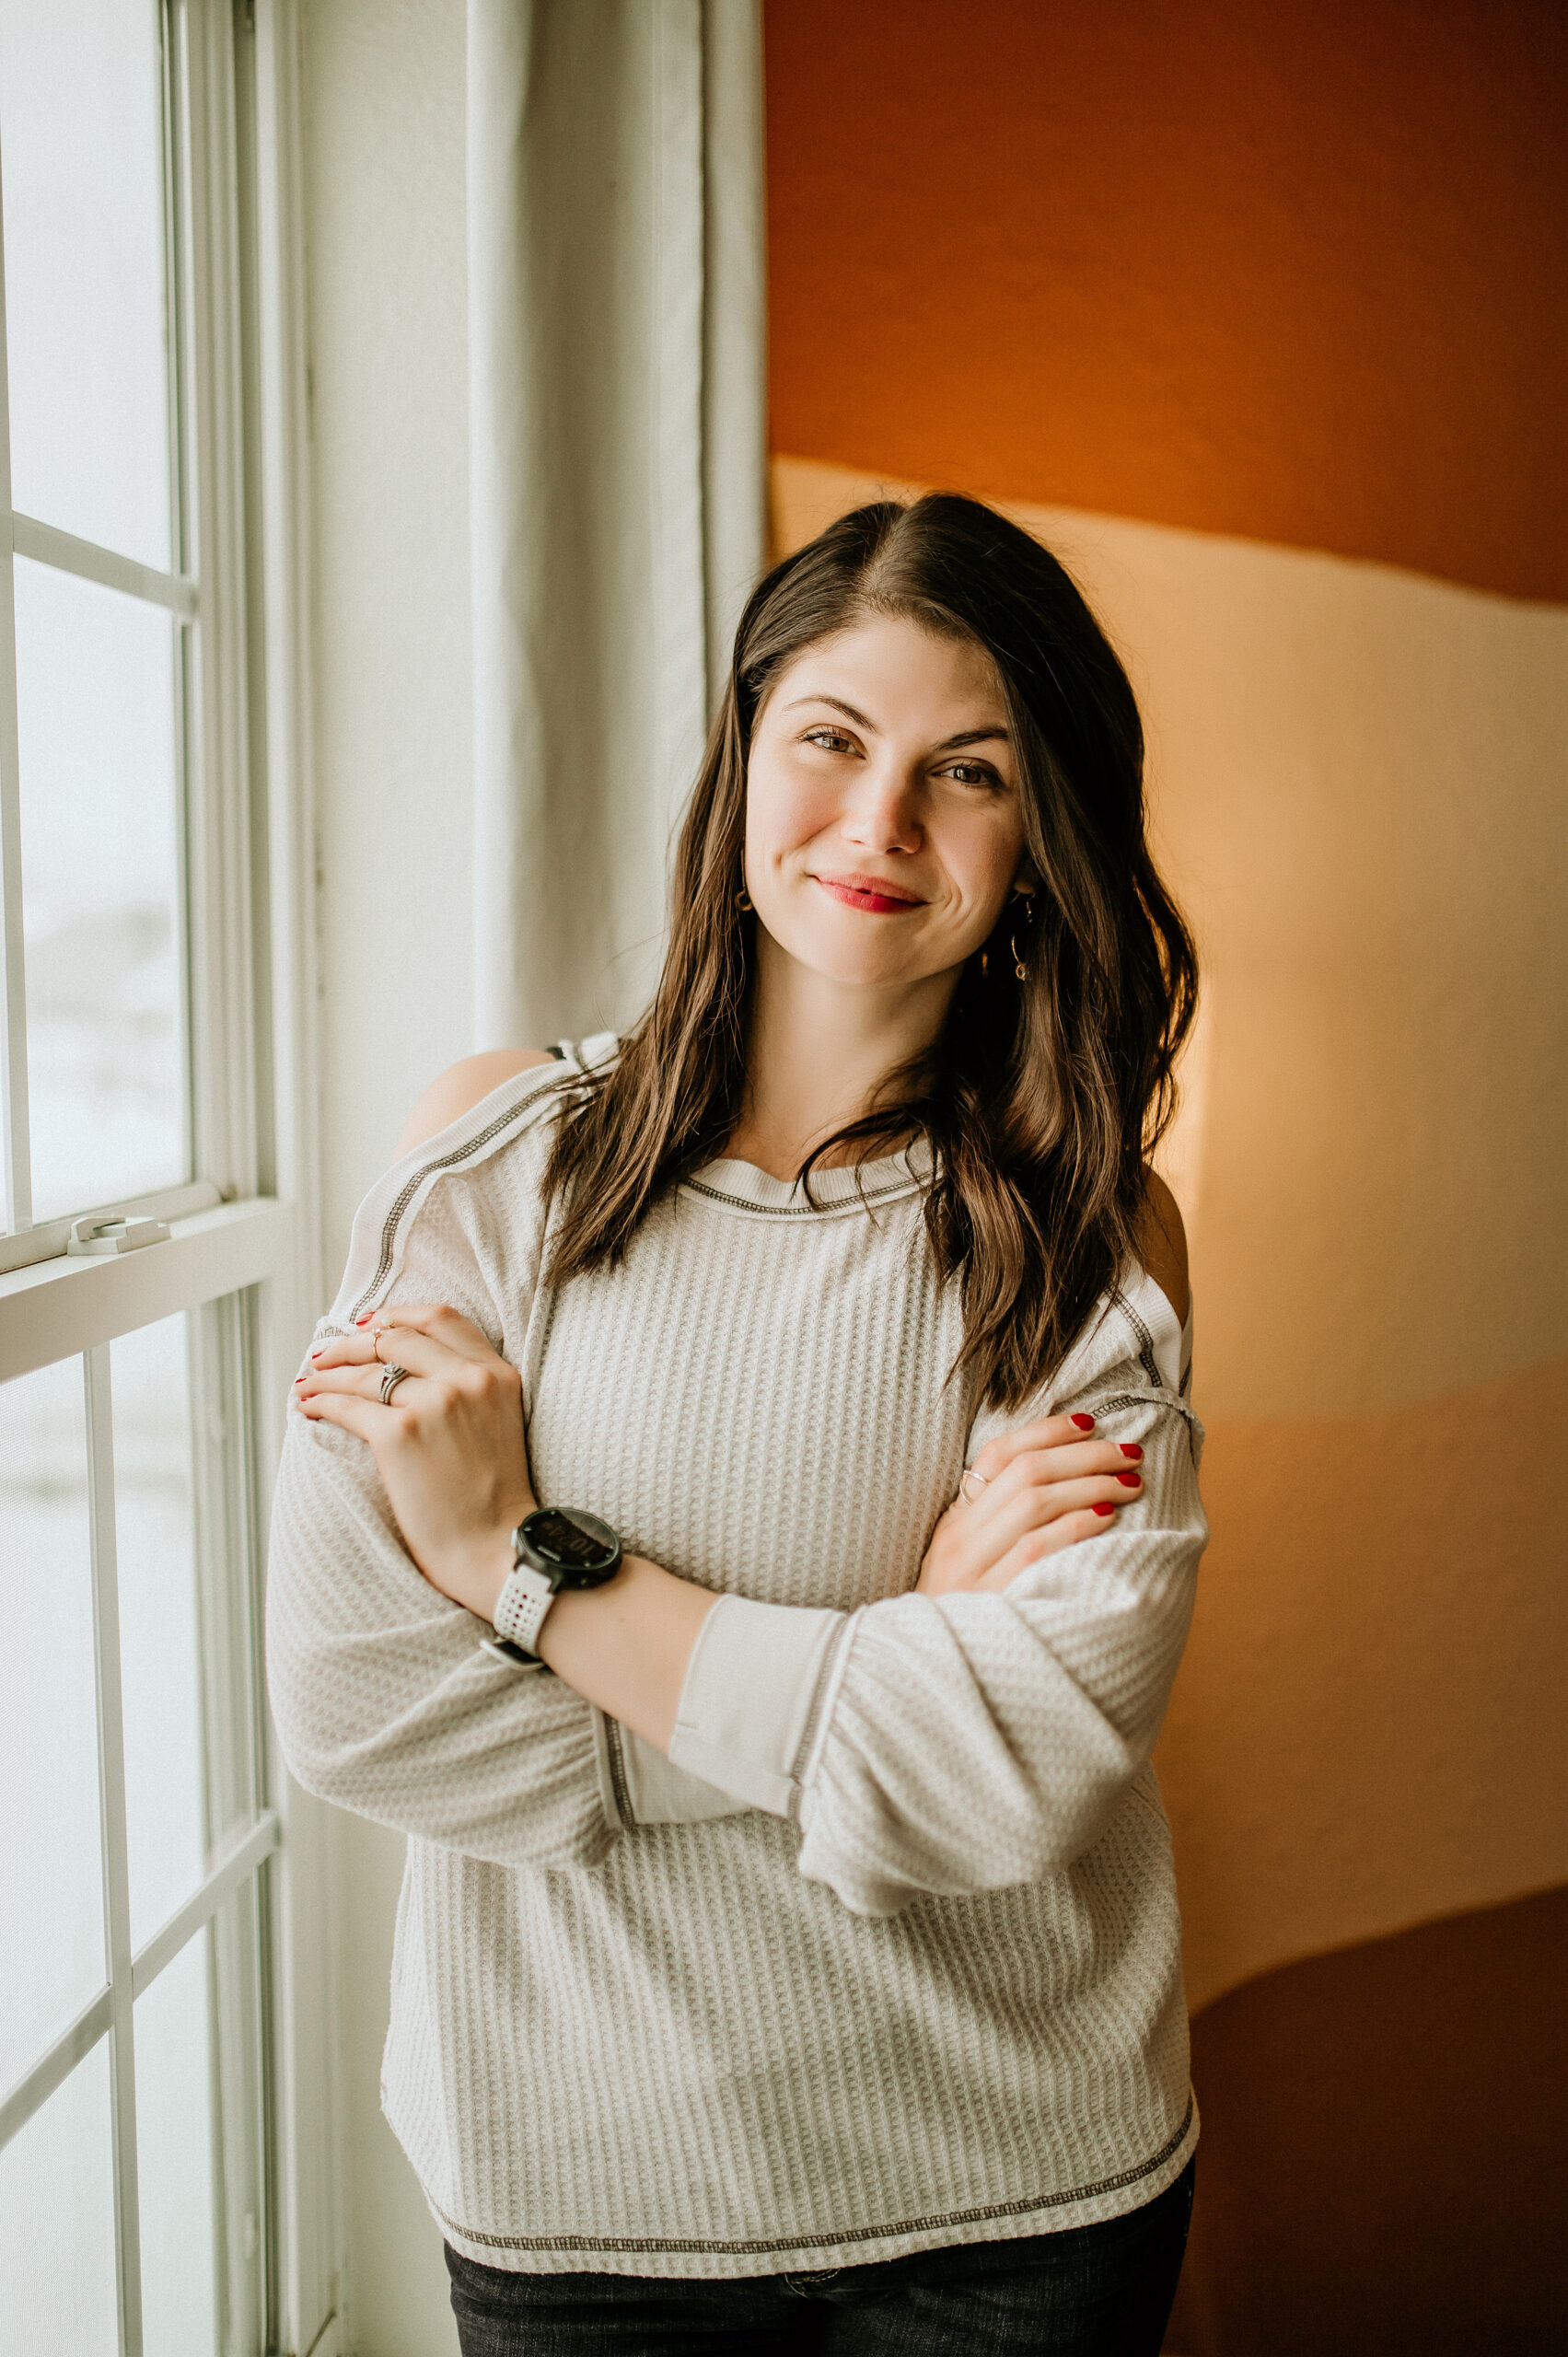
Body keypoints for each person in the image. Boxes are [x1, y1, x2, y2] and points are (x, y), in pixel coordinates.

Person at [268, 493, 1206, 2355]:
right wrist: (883, 1673)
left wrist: (513, 1566)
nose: (880, 824)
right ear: (744, 751)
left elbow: (1018, 1772)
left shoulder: (1097, 1220)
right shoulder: (496, 1154)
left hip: (1018, 2190)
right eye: (833, 742)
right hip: (581, 2185)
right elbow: (359, 1707)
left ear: (1045, 839)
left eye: (971, 772)